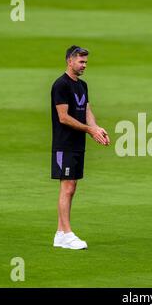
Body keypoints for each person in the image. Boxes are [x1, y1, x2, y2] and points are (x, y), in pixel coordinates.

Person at [50, 45, 110, 249]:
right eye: (81, 61)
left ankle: (60, 233)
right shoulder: (61, 85)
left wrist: (96, 128)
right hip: (64, 144)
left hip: (77, 144)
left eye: (85, 62)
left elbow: (86, 110)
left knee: (72, 187)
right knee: (66, 187)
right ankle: (67, 234)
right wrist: (89, 130)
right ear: (69, 61)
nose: (84, 65)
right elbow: (63, 117)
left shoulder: (82, 85)